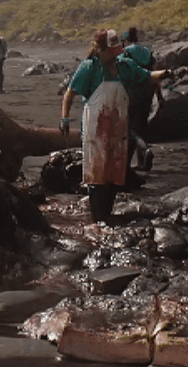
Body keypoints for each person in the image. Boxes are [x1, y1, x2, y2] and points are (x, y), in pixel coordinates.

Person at [59, 30, 160, 223]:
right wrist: (64, 119)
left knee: (115, 171)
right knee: (96, 174)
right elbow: (69, 95)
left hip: (118, 127)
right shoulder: (89, 67)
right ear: (100, 50)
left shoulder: (125, 66)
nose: (116, 55)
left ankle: (107, 215)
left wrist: (165, 74)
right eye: (112, 51)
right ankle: (99, 218)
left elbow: (146, 75)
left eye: (117, 51)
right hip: (95, 129)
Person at [120, 27, 157, 170]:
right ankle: (141, 163)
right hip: (148, 91)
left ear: (125, 41)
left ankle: (145, 150)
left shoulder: (126, 53)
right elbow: (155, 73)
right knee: (141, 125)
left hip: (132, 91)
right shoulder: (147, 52)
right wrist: (159, 96)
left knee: (131, 128)